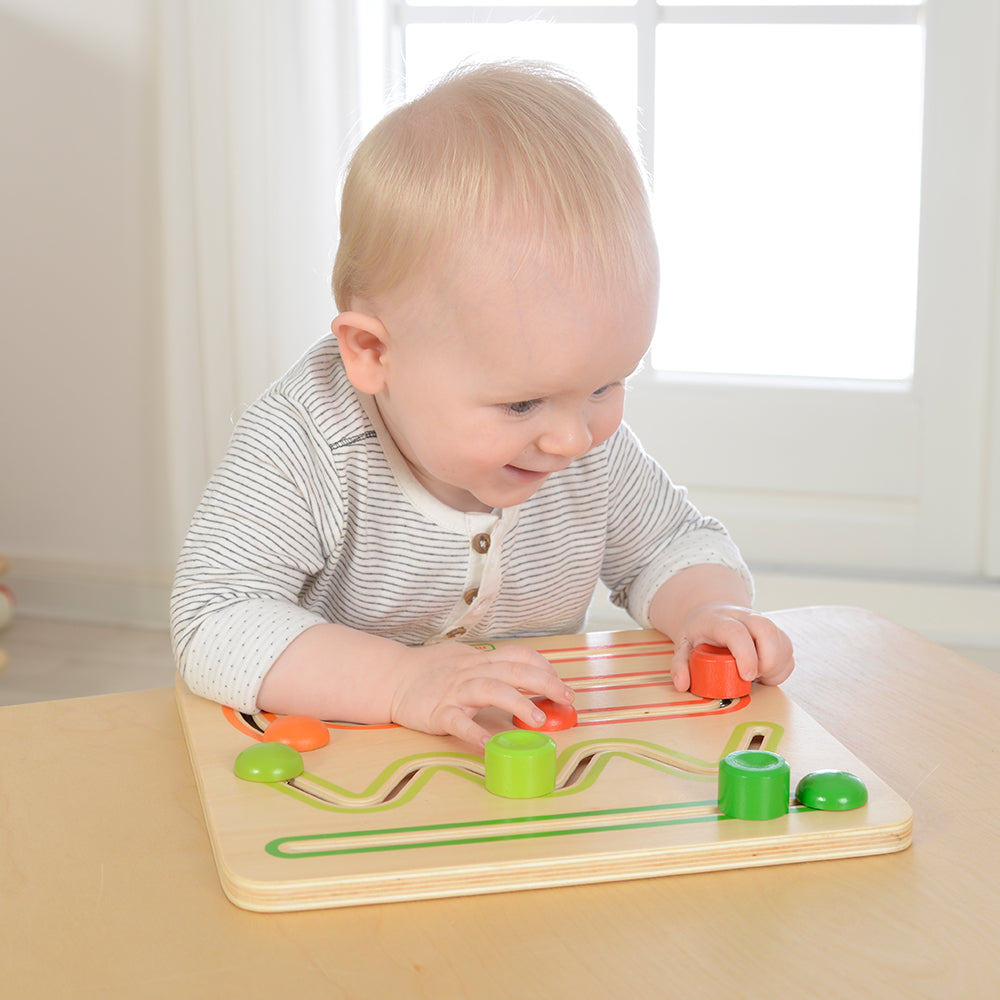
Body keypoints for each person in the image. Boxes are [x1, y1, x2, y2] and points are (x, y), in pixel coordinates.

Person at [170, 61, 794, 747]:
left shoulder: (582, 445)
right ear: (374, 355)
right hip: (337, 764)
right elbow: (213, 619)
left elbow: (672, 544)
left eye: (605, 386)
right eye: (523, 404)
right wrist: (403, 683)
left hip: (513, 763)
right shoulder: (305, 445)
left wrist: (708, 607)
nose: (573, 439)